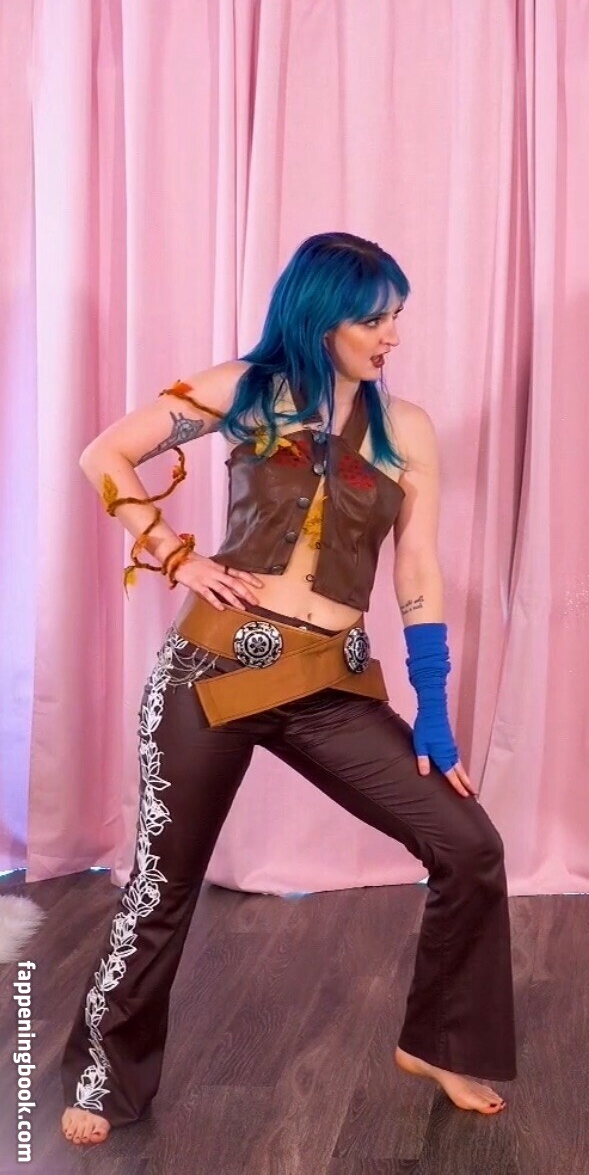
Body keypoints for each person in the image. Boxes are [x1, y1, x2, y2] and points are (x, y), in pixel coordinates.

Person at [60, 232, 517, 1147]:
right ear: (320, 317)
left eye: (396, 318)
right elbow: (105, 454)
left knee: (468, 846)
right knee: (162, 885)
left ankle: (436, 1042)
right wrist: (176, 556)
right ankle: (105, 1080)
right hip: (211, 672)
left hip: (329, 684)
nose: (391, 337)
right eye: (373, 319)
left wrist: (432, 709)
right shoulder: (244, 391)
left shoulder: (405, 430)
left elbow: (417, 568)